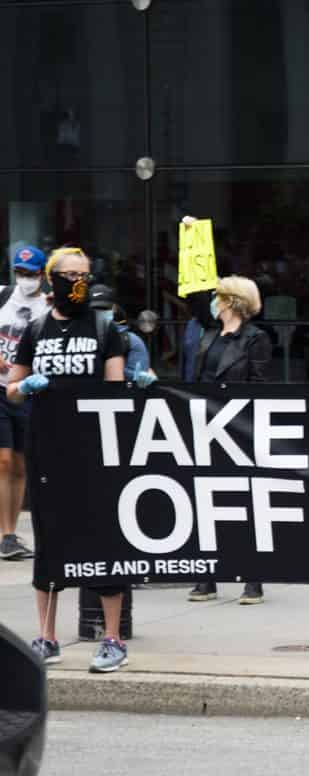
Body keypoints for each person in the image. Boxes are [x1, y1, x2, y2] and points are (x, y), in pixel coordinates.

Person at [7, 246, 136, 671]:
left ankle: (113, 638)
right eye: (70, 274)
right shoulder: (37, 329)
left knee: (102, 539)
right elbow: (11, 386)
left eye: (84, 273)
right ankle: (47, 636)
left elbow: (116, 389)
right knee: (50, 541)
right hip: (47, 447)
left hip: (93, 451)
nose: (78, 281)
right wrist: (26, 388)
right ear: (53, 279)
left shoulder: (104, 329)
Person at [187, 276, 271, 606]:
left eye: (217, 297)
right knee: (205, 501)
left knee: (243, 503)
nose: (213, 302)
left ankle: (253, 580)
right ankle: (206, 578)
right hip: (204, 424)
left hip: (238, 428)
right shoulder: (209, 335)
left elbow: (260, 385)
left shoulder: (255, 339)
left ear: (231, 301)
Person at [0, 246, 49, 561]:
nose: (25, 279)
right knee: (3, 461)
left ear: (42, 275)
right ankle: (5, 533)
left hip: (28, 391)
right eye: (21, 273)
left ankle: (12, 533)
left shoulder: (48, 306)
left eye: (31, 274)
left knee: (20, 465)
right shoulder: (3, 296)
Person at [89, 284, 154, 381]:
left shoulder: (130, 341)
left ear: (114, 309)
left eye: (105, 309)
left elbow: (141, 381)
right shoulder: (75, 337)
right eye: (95, 309)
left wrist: (111, 367)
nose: (100, 313)